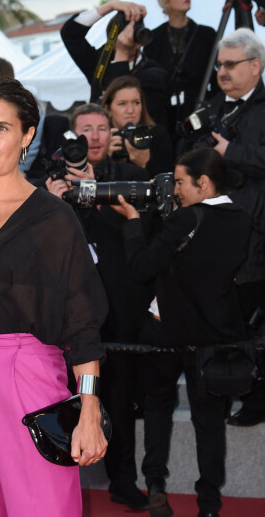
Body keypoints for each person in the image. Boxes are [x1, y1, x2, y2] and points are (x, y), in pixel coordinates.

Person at [0, 78, 108, 517]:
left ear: (27, 135)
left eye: (1, 128)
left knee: (41, 503)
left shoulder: (53, 218)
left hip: (29, 373)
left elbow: (82, 318)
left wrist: (89, 407)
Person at [112, 147, 251, 517]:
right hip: (215, 338)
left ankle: (155, 485)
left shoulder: (185, 220)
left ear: (203, 183)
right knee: (209, 423)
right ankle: (209, 503)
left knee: (158, 406)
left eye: (179, 182)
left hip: (166, 334)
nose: (174, 189)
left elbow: (141, 267)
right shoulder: (242, 219)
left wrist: (132, 221)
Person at [46, 103, 151, 511]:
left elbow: (140, 239)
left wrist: (100, 196)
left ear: (112, 134)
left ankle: (123, 481)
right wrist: (54, 203)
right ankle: (58, 480)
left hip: (119, 309)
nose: (93, 137)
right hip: (67, 315)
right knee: (66, 399)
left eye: (102, 128)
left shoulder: (131, 179)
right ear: (71, 137)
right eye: (85, 130)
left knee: (121, 400)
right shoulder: (48, 185)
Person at [199, 28, 265, 427]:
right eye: (220, 65)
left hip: (260, 235)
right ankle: (224, 390)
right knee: (227, 320)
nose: (221, 72)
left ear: (255, 66)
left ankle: (256, 400)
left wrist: (230, 153)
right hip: (220, 234)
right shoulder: (211, 109)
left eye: (230, 64)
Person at [60, 0, 169, 127]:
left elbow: (119, 91)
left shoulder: (154, 73)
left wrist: (122, 53)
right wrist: (110, 6)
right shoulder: (100, 62)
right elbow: (70, 34)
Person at [144, 0, 216, 138]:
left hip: (198, 110)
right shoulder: (153, 39)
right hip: (165, 115)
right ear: (165, 2)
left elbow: (215, 74)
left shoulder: (206, 34)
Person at [101, 75, 173, 177]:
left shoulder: (156, 135)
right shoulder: (99, 138)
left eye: (136, 103)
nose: (130, 110)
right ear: (108, 109)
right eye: (122, 104)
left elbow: (169, 183)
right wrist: (103, 158)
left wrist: (146, 163)